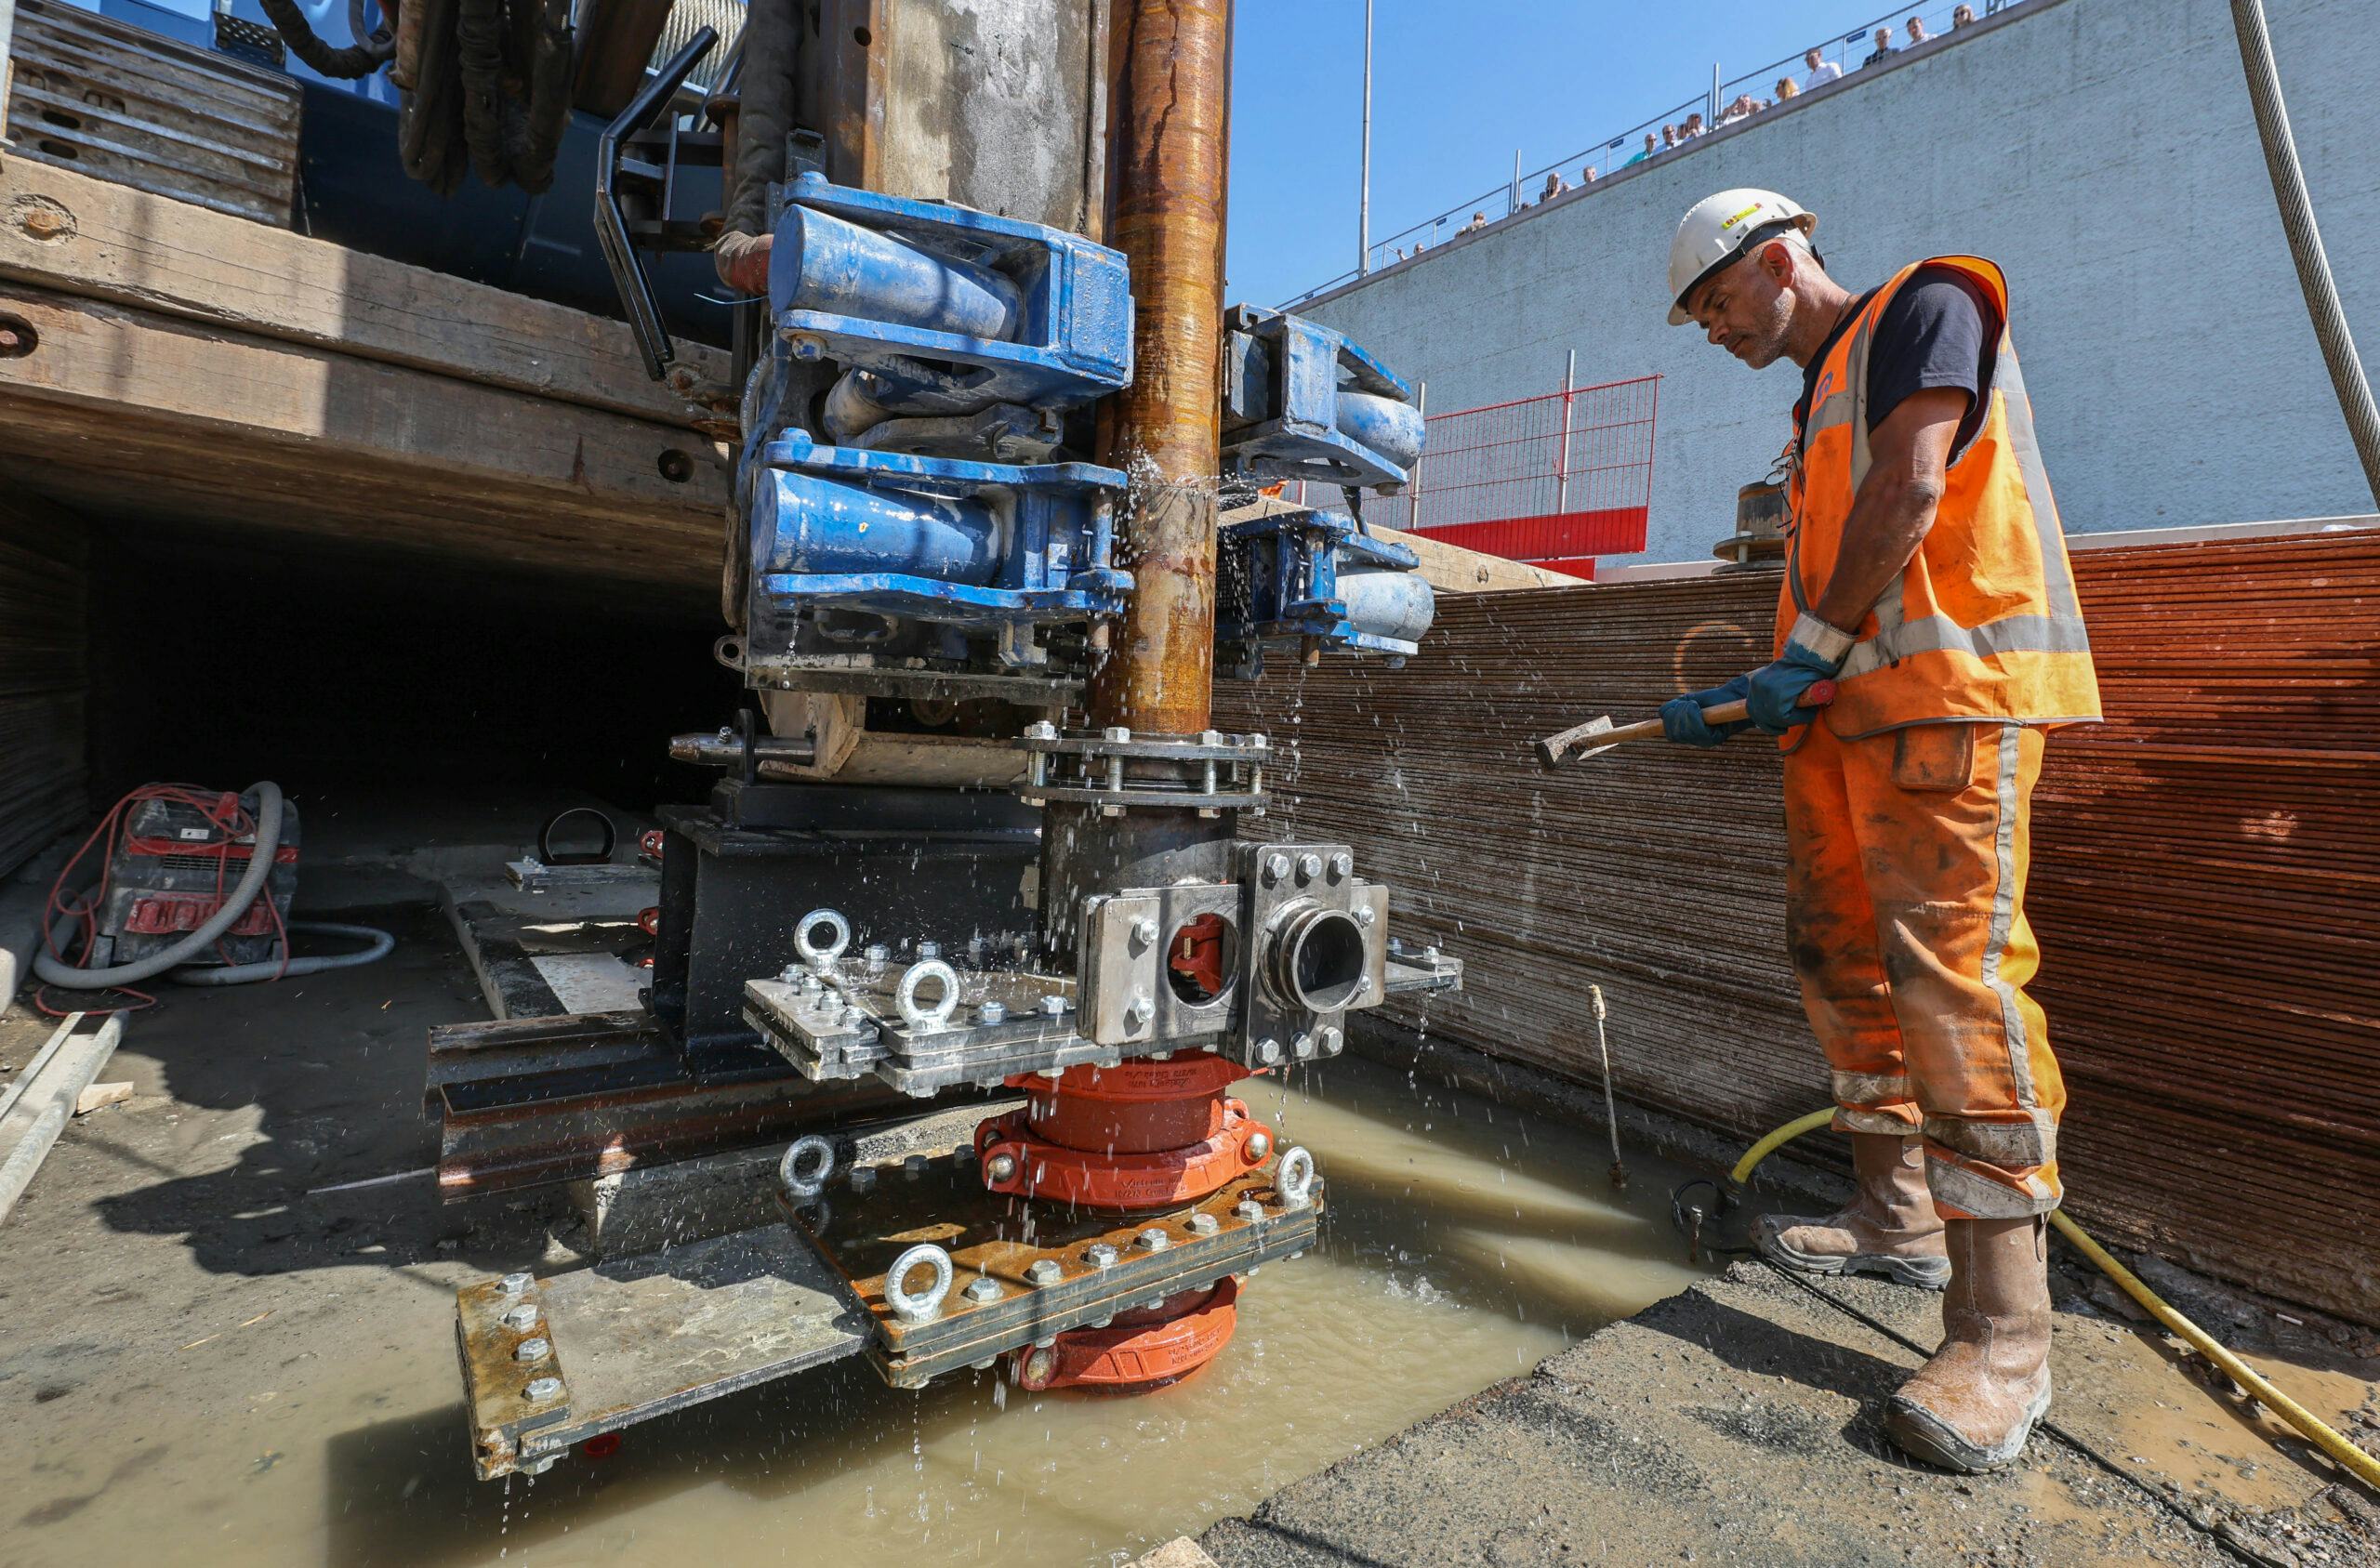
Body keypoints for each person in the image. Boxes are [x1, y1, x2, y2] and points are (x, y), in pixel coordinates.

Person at [1659, 188, 2099, 1475]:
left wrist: (1804, 656)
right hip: (1852, 724)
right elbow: (1845, 555)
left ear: (1782, 259)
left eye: (1716, 303)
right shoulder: (1817, 399)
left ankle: (2006, 1340)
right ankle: (1896, 1216)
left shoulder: (1928, 305)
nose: (1711, 332)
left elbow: (1913, 493)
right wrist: (1765, 688)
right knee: (1840, 960)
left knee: (1957, 990)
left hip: (1948, 707)